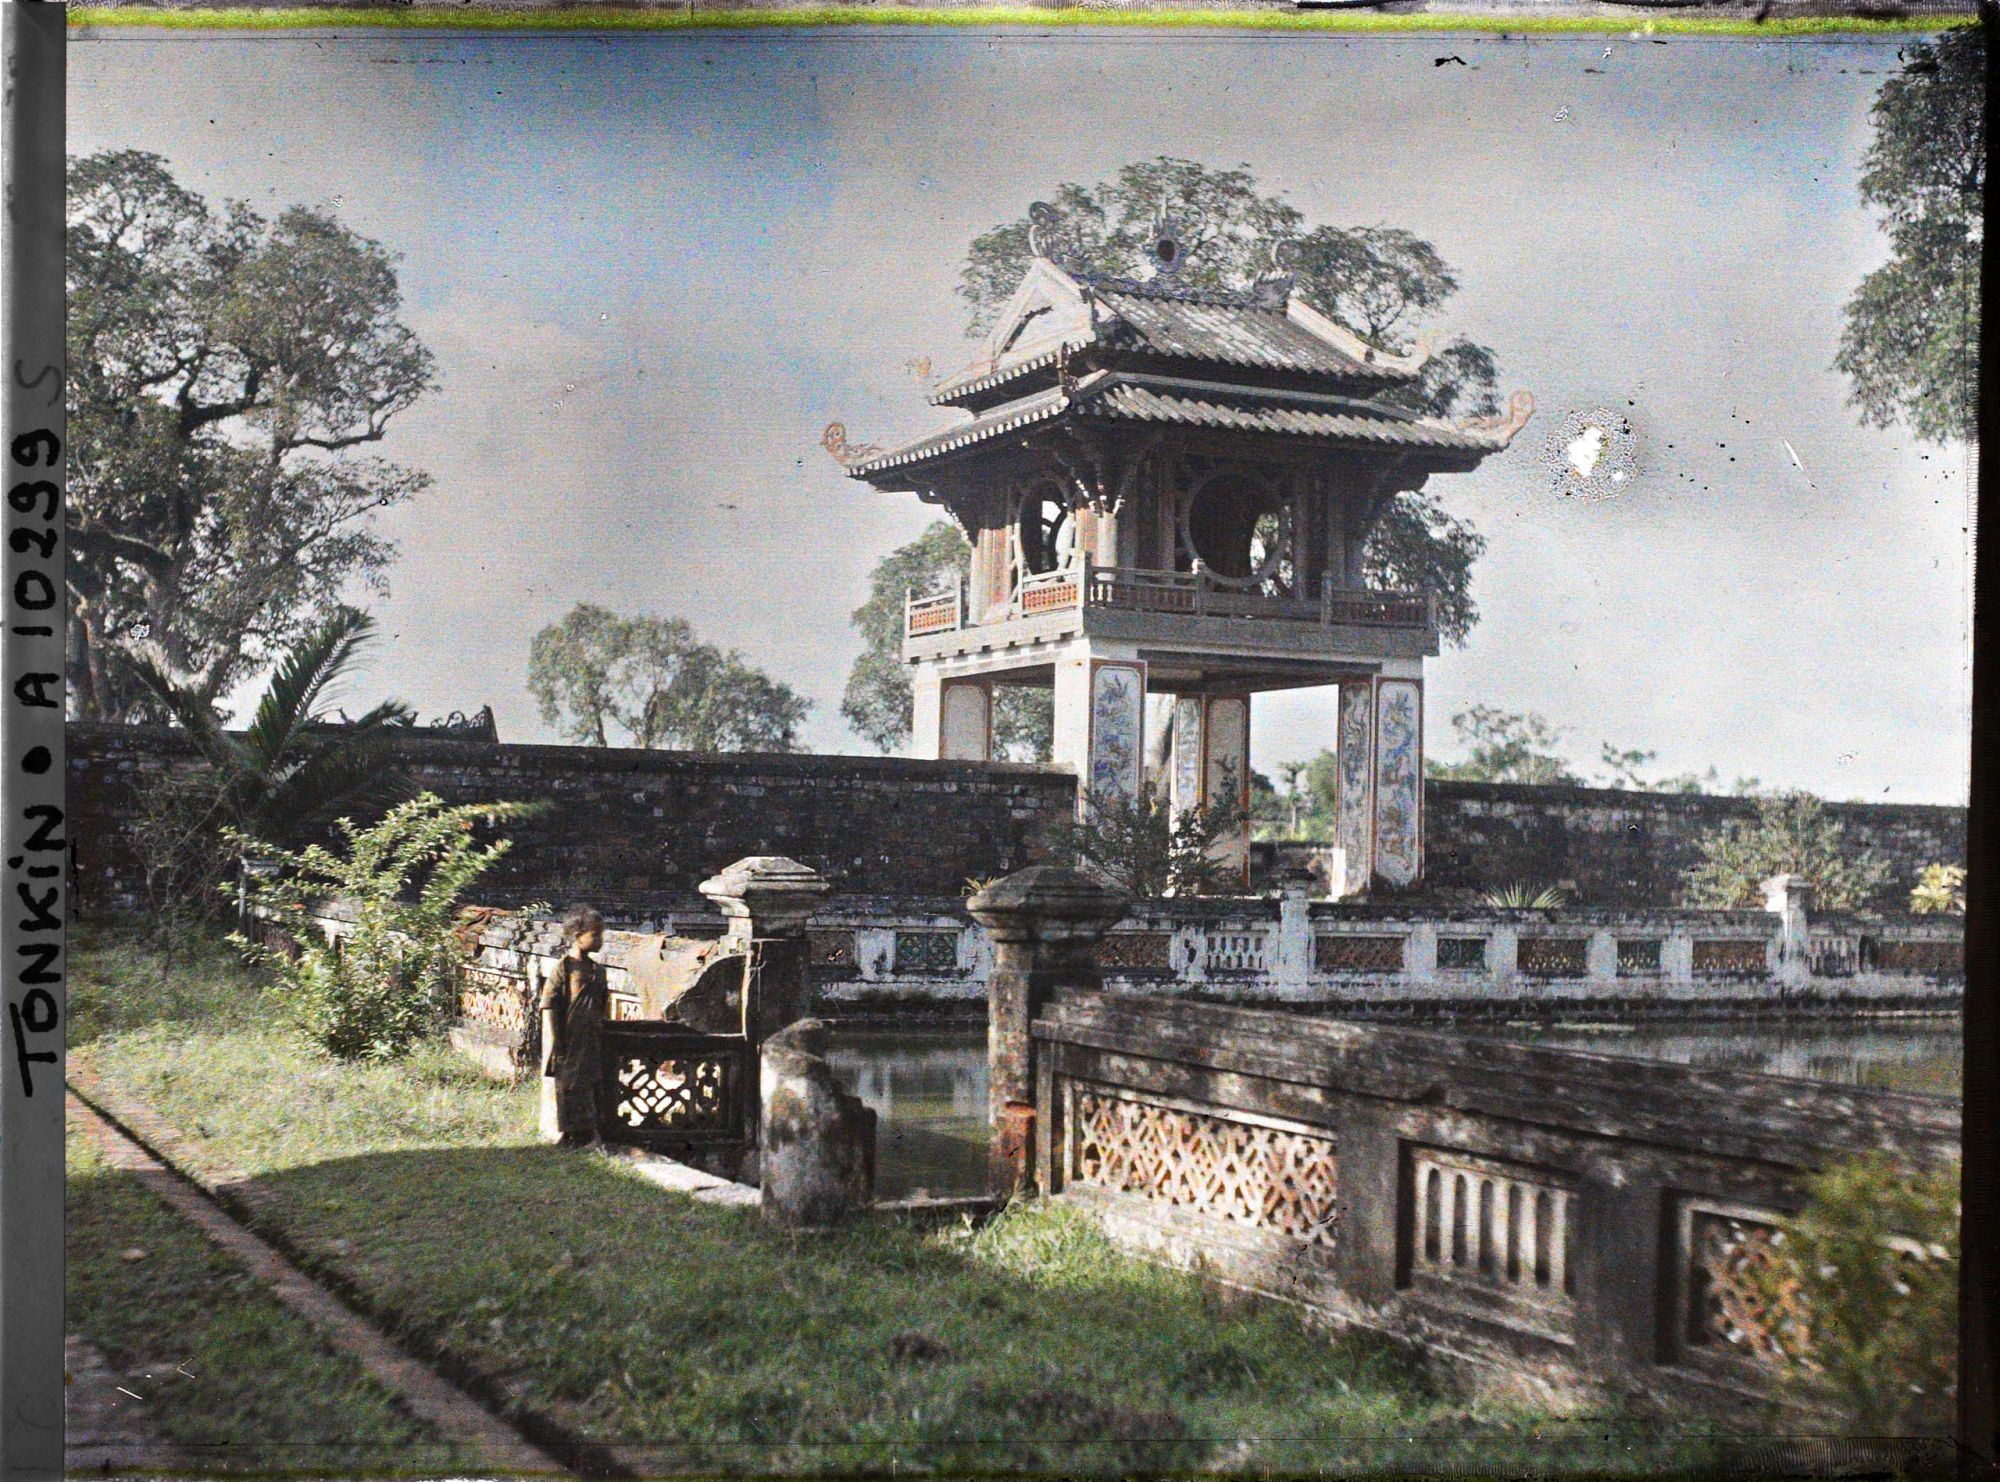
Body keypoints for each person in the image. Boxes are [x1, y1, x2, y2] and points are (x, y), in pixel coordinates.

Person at [541, 904, 609, 1147]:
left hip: (591, 1037)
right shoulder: (564, 968)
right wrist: (558, 1041)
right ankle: (568, 1133)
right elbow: (550, 1004)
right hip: (569, 1038)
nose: (600, 940)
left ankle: (586, 1133)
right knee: (568, 1085)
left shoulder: (598, 971)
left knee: (588, 1084)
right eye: (595, 934)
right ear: (578, 937)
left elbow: (602, 1006)